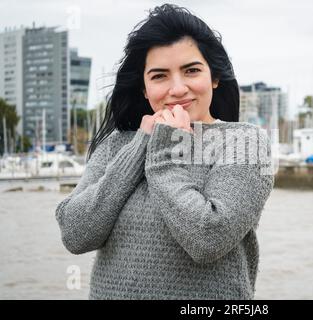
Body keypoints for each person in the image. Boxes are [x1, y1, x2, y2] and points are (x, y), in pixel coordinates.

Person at [55, 3, 274, 300]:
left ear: (214, 77)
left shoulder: (243, 142)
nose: (178, 88)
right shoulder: (118, 145)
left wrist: (163, 154)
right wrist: (141, 145)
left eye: (191, 70)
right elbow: (76, 234)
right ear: (144, 88)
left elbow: (208, 239)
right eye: (159, 76)